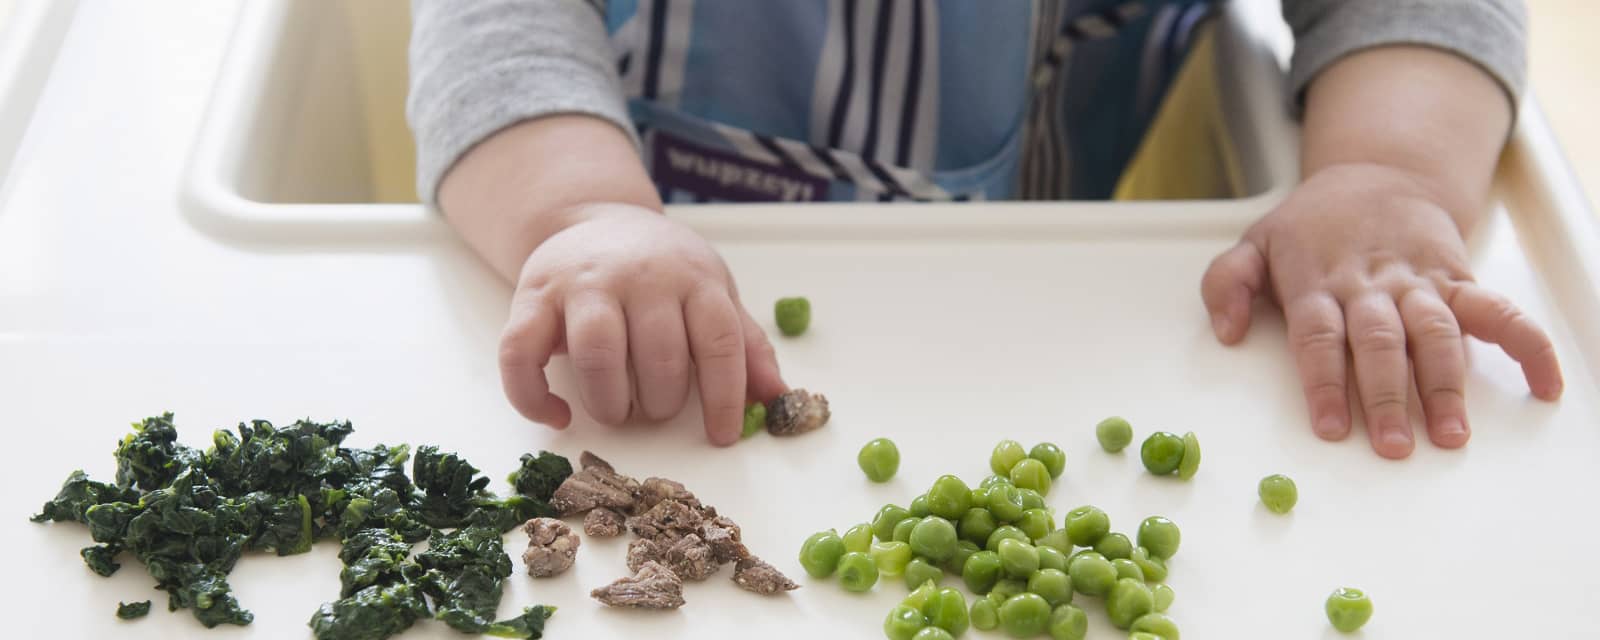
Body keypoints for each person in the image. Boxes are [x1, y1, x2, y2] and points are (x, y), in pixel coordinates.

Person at [407, 0, 1562, 457]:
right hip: (637, 263)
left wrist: (1385, 171)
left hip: (1036, 303)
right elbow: (494, 27)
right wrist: (577, 208)